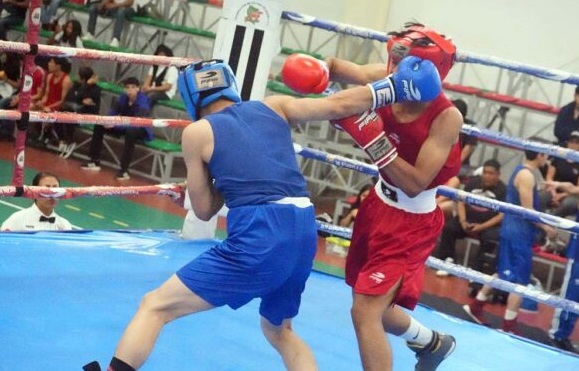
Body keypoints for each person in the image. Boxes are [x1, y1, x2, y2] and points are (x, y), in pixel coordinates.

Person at [82, 55, 443, 371]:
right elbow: (339, 105)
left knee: (155, 306)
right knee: (280, 331)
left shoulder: (196, 133)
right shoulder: (274, 106)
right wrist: (396, 87)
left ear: (191, 98)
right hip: (303, 229)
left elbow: (205, 210)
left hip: (260, 232)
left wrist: (208, 184)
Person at [291, 22, 461, 370]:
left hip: (412, 221)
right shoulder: (389, 78)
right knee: (372, 307)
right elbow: (338, 66)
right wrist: (321, 71)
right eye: (394, 61)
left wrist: (372, 139)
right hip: (377, 205)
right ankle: (432, 343)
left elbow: (416, 183)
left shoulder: (446, 117)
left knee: (364, 312)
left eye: (404, 63)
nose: (394, 70)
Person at [463, 137, 558, 334]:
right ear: (539, 154)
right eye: (545, 153)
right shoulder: (526, 175)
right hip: (518, 234)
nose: (547, 157)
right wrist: (547, 227)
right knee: (520, 281)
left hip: (515, 231)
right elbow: (527, 210)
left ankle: (476, 306)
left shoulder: (526, 172)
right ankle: (509, 324)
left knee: (503, 272)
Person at [435, 159, 506, 277]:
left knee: (491, 238)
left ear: (498, 174)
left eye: (491, 173)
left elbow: (502, 215)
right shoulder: (473, 182)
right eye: (485, 172)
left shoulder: (503, 190)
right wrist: (462, 220)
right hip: (467, 220)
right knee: (449, 228)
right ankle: (447, 261)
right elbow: (461, 200)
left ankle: (477, 269)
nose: (487, 176)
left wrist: (481, 226)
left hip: (487, 225)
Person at [80, 76, 151, 180]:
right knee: (99, 124)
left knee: (131, 132)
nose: (130, 90)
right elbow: (113, 112)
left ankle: (124, 170)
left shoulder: (143, 102)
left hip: (140, 128)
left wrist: (115, 124)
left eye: (132, 87)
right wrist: (107, 121)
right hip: (123, 126)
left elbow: (136, 122)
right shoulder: (123, 98)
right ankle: (94, 161)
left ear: (138, 88)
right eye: (127, 87)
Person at [1, 172, 72, 231]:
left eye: (56, 189)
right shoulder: (18, 219)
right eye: (47, 189)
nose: (52, 193)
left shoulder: (65, 225)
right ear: (34, 192)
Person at [60, 66, 101, 158]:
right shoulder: (76, 85)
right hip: (78, 111)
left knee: (70, 115)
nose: (76, 77)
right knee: (61, 112)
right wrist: (81, 100)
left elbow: (86, 101)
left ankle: (70, 141)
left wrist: (87, 86)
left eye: (78, 76)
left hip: (89, 114)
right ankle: (63, 140)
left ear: (83, 78)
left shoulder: (96, 89)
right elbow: (73, 97)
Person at [545, 131, 579, 218]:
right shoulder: (558, 157)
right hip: (553, 190)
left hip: (571, 195)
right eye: (572, 142)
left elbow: (577, 189)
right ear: (567, 142)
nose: (573, 145)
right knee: (541, 196)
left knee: (569, 203)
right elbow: (549, 177)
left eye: (577, 142)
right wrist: (553, 193)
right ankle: (534, 221)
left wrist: (561, 195)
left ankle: (548, 222)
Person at [141, 44, 178, 108]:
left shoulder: (172, 69)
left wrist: (151, 89)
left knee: (151, 96)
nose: (160, 57)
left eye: (163, 55)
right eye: (159, 54)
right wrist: (144, 88)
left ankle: (143, 114)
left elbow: (167, 87)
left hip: (165, 93)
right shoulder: (154, 66)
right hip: (152, 89)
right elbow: (148, 80)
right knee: (138, 94)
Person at [452, 98, 478, 179]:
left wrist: (453, 166)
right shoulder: (445, 122)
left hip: (461, 165)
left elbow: (468, 149)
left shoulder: (470, 128)